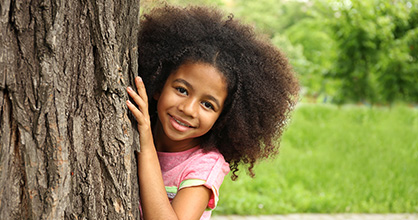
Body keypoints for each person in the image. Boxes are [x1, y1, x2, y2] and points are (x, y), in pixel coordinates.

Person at [126, 4, 299, 220]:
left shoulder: (205, 166)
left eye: (208, 105)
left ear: (223, 118)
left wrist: (146, 146)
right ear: (158, 86)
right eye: (181, 90)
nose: (188, 109)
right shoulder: (136, 125)